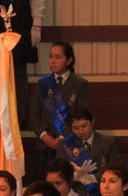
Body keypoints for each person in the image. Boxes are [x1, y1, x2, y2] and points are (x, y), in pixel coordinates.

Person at [29, 41, 90, 177]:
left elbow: (83, 115)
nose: (52, 61)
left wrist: (62, 138)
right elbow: (34, 115)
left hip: (70, 144)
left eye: (58, 57)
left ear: (69, 60)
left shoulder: (80, 84)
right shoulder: (43, 84)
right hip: (44, 145)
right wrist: (45, 136)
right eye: (51, 57)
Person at [55, 106, 121, 190]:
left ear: (92, 122)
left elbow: (116, 170)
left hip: (101, 191)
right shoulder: (65, 145)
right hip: (75, 192)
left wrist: (94, 178)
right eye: (76, 128)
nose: (81, 131)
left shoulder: (107, 142)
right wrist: (75, 176)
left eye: (84, 126)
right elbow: (59, 175)